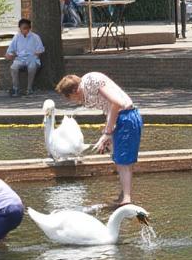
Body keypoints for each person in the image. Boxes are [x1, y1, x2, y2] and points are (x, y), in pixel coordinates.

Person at [57, 73, 142, 207]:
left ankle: (127, 199)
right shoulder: (88, 84)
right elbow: (109, 107)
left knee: (123, 161)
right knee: (121, 160)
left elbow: (117, 103)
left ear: (74, 91)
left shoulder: (90, 82)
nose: (73, 101)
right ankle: (125, 195)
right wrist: (107, 131)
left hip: (126, 117)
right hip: (123, 118)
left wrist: (108, 133)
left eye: (70, 98)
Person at [5, 18, 45, 97]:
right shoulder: (16, 37)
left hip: (32, 58)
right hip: (20, 58)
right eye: (23, 28)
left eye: (26, 28)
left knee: (32, 67)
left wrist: (35, 55)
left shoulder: (35, 37)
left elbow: (40, 50)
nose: (25, 30)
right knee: (14, 67)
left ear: (29, 28)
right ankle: (15, 88)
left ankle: (29, 88)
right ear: (20, 28)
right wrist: (10, 55)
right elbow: (10, 50)